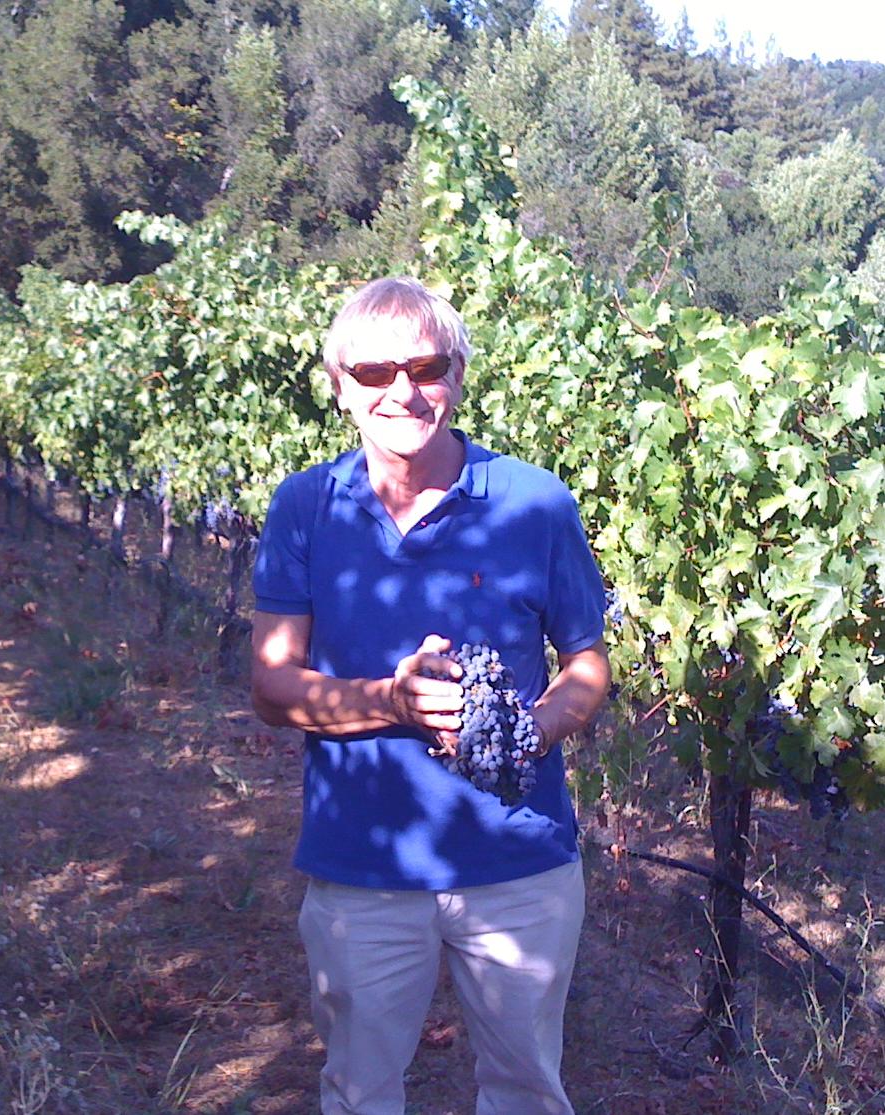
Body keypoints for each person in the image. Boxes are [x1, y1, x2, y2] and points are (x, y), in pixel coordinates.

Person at [250, 276, 611, 1115]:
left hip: (517, 859)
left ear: (457, 373)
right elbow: (272, 685)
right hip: (364, 863)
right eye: (374, 373)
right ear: (338, 385)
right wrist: (393, 702)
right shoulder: (305, 507)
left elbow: (585, 663)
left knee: (525, 1088)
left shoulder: (534, 503)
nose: (402, 391)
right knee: (358, 1091)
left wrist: (528, 731)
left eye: (425, 365)